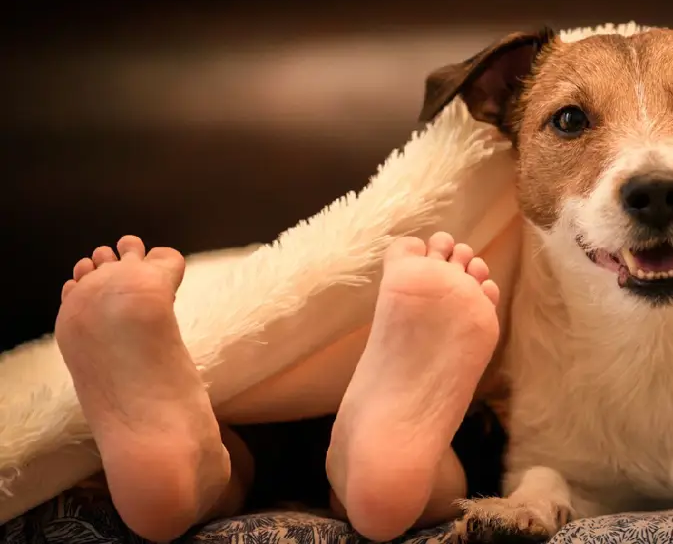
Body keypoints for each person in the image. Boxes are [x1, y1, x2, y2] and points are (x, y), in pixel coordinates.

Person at [54, 232, 502, 542]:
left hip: (247, 419)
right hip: (364, 392)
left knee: (226, 461)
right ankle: (387, 470)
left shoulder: (238, 275)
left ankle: (197, 469)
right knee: (448, 472)